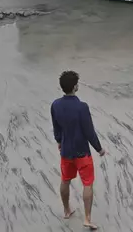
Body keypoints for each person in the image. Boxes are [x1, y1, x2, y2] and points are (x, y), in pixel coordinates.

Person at [51, 70, 106, 230]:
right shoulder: (82, 107)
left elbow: (56, 127)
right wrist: (99, 149)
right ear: (75, 87)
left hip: (66, 152)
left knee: (65, 180)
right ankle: (87, 218)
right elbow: (89, 131)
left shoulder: (55, 105)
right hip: (82, 152)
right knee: (87, 184)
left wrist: (59, 141)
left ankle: (67, 210)